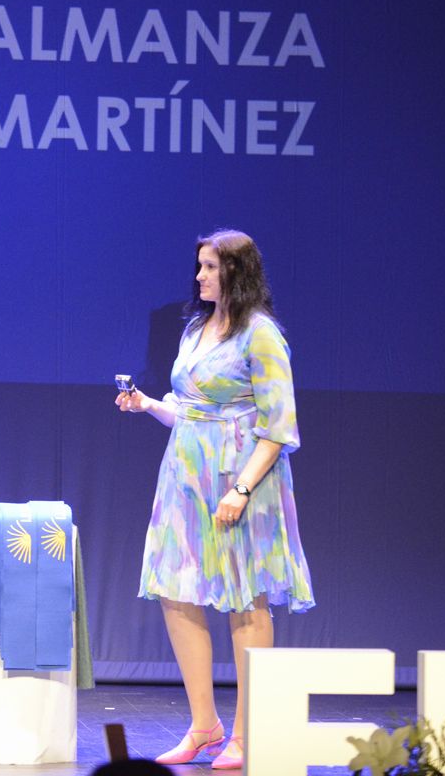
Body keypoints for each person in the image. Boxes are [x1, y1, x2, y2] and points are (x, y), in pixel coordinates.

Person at [115, 229, 315, 771]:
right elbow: (191, 411)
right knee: (176, 592)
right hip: (185, 477)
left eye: (209, 267)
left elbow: (279, 427)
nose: (199, 276)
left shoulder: (261, 334)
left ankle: (250, 732)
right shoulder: (197, 329)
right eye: (199, 266)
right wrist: (147, 405)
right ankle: (205, 726)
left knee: (246, 598)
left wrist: (243, 488)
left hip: (241, 481)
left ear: (236, 272)